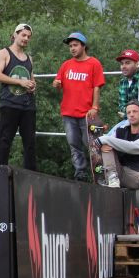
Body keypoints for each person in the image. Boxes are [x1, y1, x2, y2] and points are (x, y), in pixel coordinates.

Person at [52, 32, 104, 181]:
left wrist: (95, 107)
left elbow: (97, 87)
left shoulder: (94, 63)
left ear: (83, 46)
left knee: (93, 145)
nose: (72, 49)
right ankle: (80, 173)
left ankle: (100, 175)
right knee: (74, 145)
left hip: (87, 113)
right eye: (70, 46)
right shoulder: (66, 65)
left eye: (75, 45)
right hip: (68, 113)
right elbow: (58, 83)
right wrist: (56, 84)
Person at [100, 101, 139, 234]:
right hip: (116, 169)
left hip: (134, 174)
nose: (131, 115)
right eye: (128, 112)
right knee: (106, 147)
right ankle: (111, 177)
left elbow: (134, 147)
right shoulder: (120, 130)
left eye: (134, 111)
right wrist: (103, 138)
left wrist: (107, 140)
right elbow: (100, 141)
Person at [0, 23, 37, 170]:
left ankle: (31, 176)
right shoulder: (4, 53)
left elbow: (31, 79)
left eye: (28, 37)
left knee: (30, 143)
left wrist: (32, 86)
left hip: (28, 105)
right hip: (9, 104)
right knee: (4, 141)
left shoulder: (29, 58)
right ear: (15, 34)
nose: (26, 39)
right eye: (23, 35)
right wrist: (20, 82)